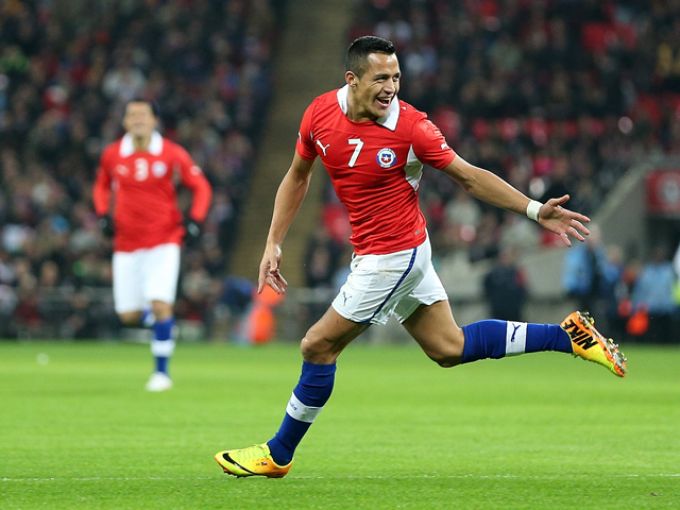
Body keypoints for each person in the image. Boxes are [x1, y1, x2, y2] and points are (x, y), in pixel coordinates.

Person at [214, 36, 626, 478]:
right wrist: (273, 241)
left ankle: (278, 453)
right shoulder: (319, 113)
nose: (391, 87)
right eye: (381, 78)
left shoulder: (412, 128)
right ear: (352, 80)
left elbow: (469, 177)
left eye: (396, 77)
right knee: (448, 348)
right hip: (387, 251)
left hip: (393, 256)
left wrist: (534, 210)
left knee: (317, 345)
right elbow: (298, 175)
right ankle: (567, 336)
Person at [93, 98, 212, 391]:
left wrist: (195, 220)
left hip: (163, 240)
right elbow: (101, 186)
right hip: (126, 243)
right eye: (132, 115)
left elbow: (201, 187)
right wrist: (102, 214)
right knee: (128, 315)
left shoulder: (171, 153)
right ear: (124, 121)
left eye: (143, 114)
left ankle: (161, 373)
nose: (137, 119)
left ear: (154, 120)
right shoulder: (112, 154)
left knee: (160, 303)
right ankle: (161, 321)